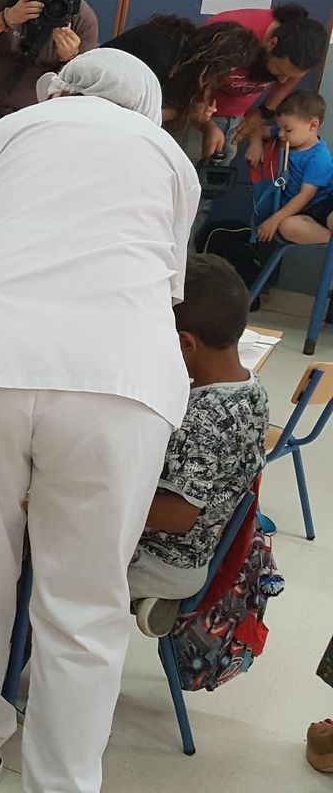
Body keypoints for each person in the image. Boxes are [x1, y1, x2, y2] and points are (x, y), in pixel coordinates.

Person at [0, 49, 199, 793]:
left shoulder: (1, 135)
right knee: (85, 602)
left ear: (56, 89)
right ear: (148, 106)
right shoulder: (168, 158)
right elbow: (157, 290)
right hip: (118, 382)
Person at [128, 255, 269, 638]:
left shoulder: (202, 419)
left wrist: (94, 504)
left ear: (185, 343)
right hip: (199, 548)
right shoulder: (250, 388)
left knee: (40, 545)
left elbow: (178, 516)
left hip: (164, 561)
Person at [202, 3, 330, 170]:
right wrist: (203, 120)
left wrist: (264, 112)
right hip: (197, 108)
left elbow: (290, 76)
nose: (282, 81)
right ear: (271, 43)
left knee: (215, 175)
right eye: (279, 71)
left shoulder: (302, 53)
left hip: (233, 118)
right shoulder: (229, 32)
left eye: (290, 75)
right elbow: (193, 80)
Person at [106, 16, 260, 154]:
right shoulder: (159, 53)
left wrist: (208, 126)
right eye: (225, 69)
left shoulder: (182, 45)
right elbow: (131, 115)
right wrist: (184, 113)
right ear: (212, 60)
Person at [254, 92, 333, 246]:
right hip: (302, 214)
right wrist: (256, 144)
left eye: (288, 130)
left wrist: (273, 220)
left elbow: (306, 195)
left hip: (323, 204)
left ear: (313, 125)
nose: (281, 134)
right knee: (286, 227)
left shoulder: (319, 157)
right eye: (280, 128)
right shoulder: (287, 133)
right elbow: (257, 129)